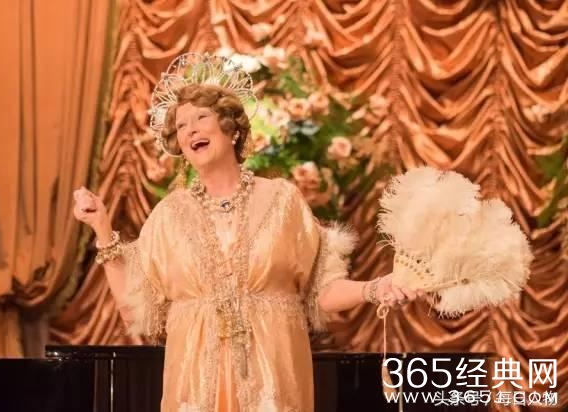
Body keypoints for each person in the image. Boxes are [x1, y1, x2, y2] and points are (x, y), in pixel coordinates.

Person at [73, 53, 420, 412]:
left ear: (232, 129)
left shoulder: (283, 201)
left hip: (275, 383)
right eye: (181, 125)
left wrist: (374, 288)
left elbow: (321, 291)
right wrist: (102, 228)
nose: (190, 129)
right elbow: (134, 311)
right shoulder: (169, 216)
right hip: (195, 387)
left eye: (201, 117)